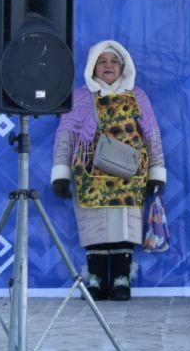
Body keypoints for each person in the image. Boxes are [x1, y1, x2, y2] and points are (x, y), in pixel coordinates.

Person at [51, 40, 166, 301]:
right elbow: (66, 135)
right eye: (102, 61)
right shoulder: (81, 97)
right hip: (90, 175)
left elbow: (152, 134)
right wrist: (60, 173)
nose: (108, 66)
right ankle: (96, 279)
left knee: (124, 226)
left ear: (123, 66)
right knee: (94, 226)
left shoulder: (137, 96)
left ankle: (121, 279)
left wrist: (157, 171)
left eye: (114, 61)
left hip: (129, 175)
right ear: (92, 67)